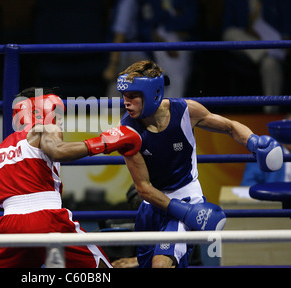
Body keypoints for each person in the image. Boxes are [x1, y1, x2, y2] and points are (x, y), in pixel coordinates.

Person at [0, 87, 142, 268]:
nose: (59, 122)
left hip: (9, 227)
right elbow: (58, 151)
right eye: (57, 114)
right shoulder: (44, 129)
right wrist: (106, 141)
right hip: (49, 220)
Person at [115, 60, 283, 268]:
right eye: (124, 96)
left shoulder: (186, 111)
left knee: (161, 265)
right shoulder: (127, 130)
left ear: (152, 94)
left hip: (186, 198)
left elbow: (230, 127)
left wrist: (253, 141)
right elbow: (144, 189)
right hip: (152, 206)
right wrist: (186, 213)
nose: (126, 102)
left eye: (132, 95)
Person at [222, 0, 290, 112]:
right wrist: (247, 31)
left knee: (270, 64)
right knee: (229, 33)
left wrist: (286, 34)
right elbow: (227, 25)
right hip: (247, 44)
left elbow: (287, 14)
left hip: (274, 41)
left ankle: (270, 113)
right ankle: (264, 52)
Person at [144, 0, 198, 98]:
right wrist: (173, 13)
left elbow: (190, 20)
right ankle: (168, 110)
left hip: (180, 36)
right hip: (153, 38)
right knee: (167, 77)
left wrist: (161, 17)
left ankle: (169, 111)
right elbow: (145, 21)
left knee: (177, 77)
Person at [103, 0, 152, 97]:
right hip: (129, 52)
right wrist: (113, 64)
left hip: (136, 49)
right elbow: (120, 32)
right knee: (120, 90)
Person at [241, 114, 291, 186]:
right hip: (271, 197)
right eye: (289, 129)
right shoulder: (264, 151)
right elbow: (248, 184)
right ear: (282, 131)